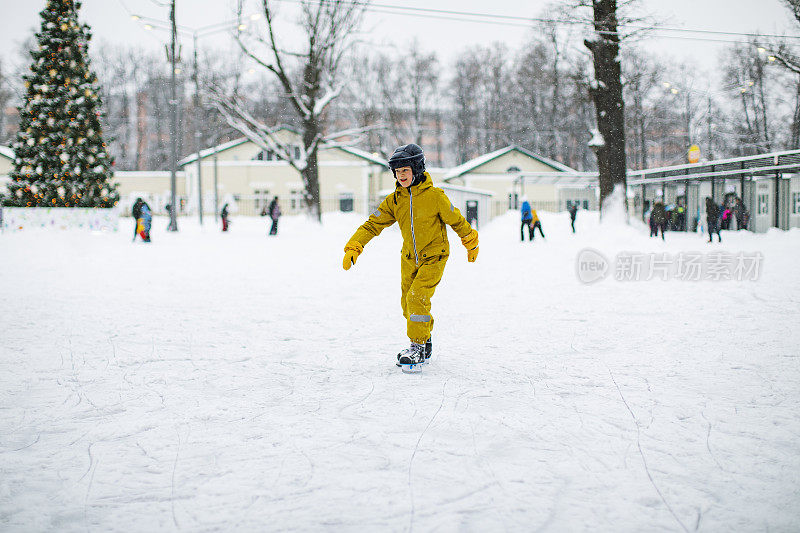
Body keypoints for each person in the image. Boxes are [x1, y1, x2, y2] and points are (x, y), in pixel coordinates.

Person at [341, 143, 479, 367]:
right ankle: (425, 339)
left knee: (417, 297)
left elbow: (456, 219)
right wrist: (354, 246)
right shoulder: (395, 200)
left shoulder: (435, 196)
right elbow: (372, 225)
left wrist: (470, 242)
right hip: (409, 258)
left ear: (416, 168)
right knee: (408, 304)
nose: (400, 175)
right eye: (397, 172)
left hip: (435, 255)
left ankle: (417, 347)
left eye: (404, 170)